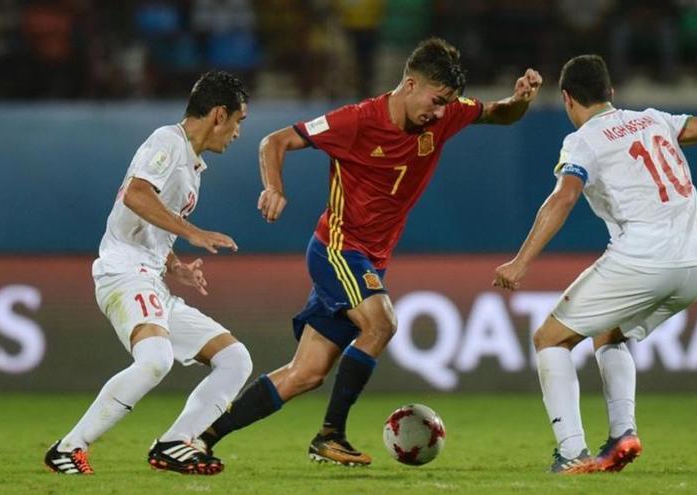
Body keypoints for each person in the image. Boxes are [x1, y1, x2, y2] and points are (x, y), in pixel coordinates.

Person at [194, 37, 542, 466]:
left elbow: (498, 114)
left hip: (367, 261)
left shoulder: (444, 116)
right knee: (381, 323)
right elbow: (274, 141)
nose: (437, 113)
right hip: (337, 249)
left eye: (445, 104)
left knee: (306, 374)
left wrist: (520, 99)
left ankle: (201, 438)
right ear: (410, 84)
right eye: (434, 101)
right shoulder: (357, 121)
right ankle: (330, 434)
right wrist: (274, 187)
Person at [492, 54, 697, 475]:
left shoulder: (583, 140)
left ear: (567, 99)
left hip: (644, 259)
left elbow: (564, 196)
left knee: (550, 339)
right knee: (611, 333)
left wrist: (520, 262)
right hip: (695, 265)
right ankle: (622, 435)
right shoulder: (652, 119)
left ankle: (571, 451)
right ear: (611, 93)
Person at [44, 71, 252, 475]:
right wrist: (193, 232)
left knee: (234, 359)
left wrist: (177, 266)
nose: (237, 133)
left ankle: (175, 443)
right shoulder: (166, 142)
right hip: (123, 273)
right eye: (239, 122)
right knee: (155, 359)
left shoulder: (192, 167)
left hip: (150, 277)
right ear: (219, 115)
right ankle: (68, 448)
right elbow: (136, 195)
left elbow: (153, 225)